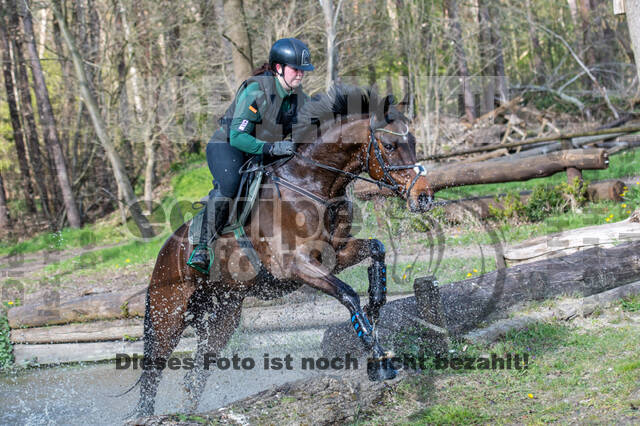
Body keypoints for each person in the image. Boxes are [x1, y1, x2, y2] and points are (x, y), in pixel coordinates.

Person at [188, 38, 315, 273]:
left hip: (262, 151)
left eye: (303, 70)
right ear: (279, 68)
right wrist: (273, 148)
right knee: (230, 185)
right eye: (296, 69)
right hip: (228, 146)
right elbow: (238, 137)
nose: (301, 74)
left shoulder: (298, 97)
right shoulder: (256, 90)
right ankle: (202, 246)